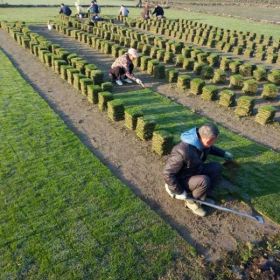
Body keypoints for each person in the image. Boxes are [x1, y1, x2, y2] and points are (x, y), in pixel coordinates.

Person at [163, 123, 233, 217]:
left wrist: (223, 153)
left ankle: (202, 196)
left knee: (217, 167)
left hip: (194, 169)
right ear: (208, 140)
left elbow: (210, 149)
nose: (214, 143)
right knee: (204, 181)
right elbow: (167, 173)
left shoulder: (202, 142)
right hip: (182, 179)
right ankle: (191, 202)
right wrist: (179, 192)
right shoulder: (181, 151)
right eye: (214, 141)